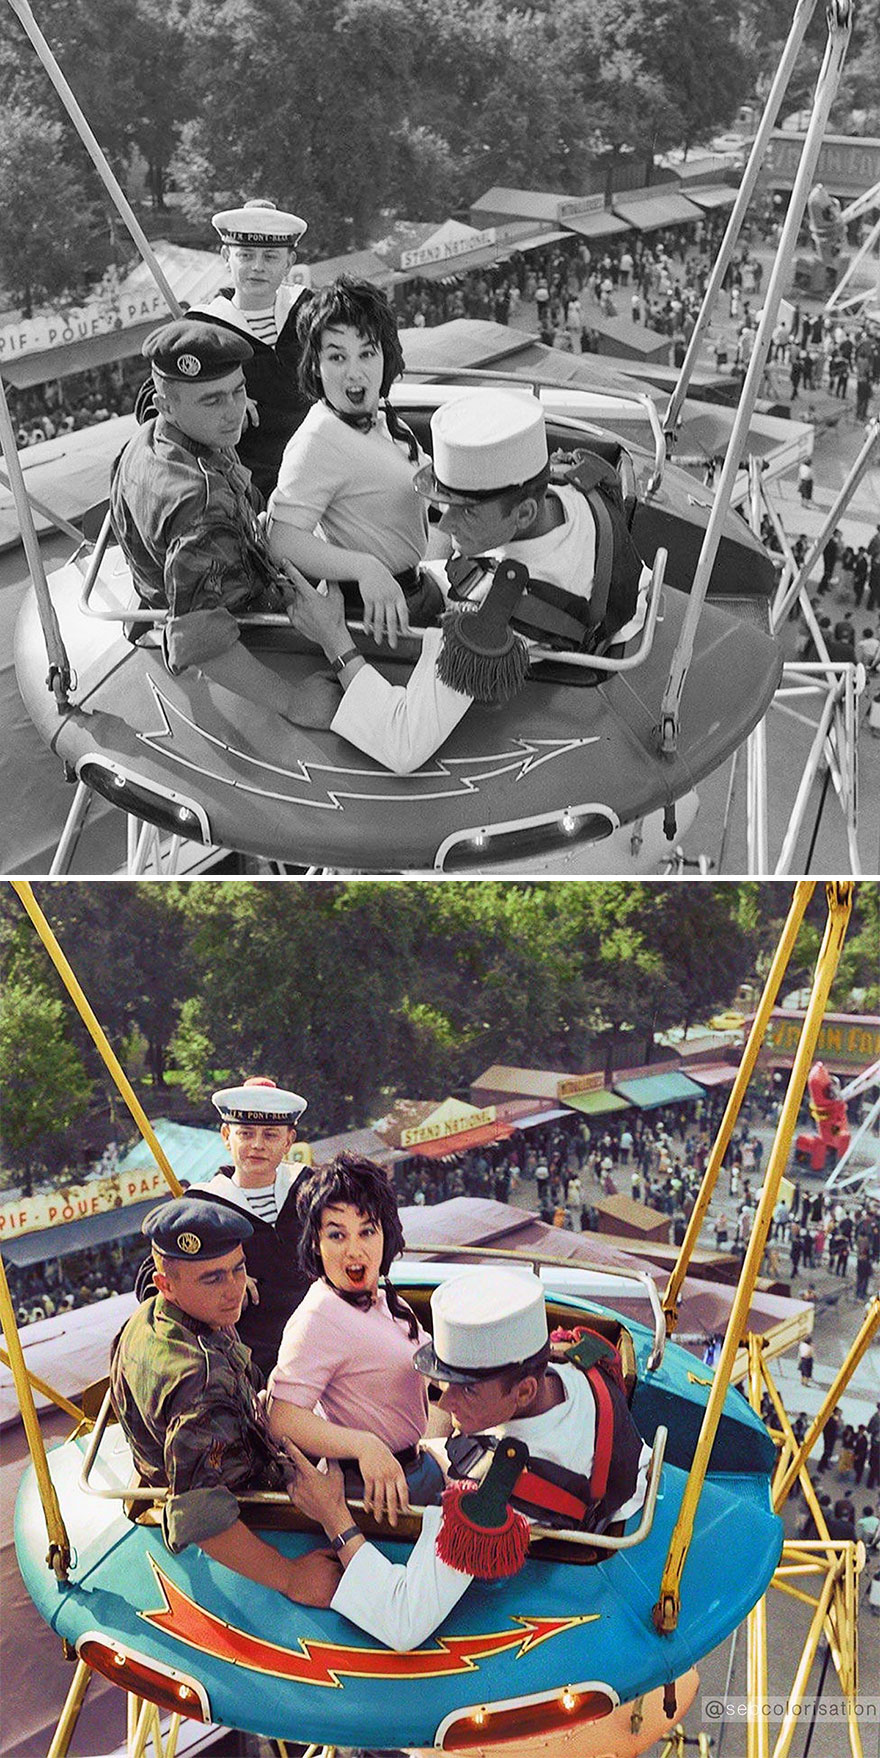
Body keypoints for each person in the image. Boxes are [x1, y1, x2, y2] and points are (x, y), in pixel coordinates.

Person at [282, 387, 650, 775]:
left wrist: (333, 637)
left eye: (467, 513)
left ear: (524, 512)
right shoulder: (568, 486)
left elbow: (403, 744)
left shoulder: (498, 614)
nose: (446, 524)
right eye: (445, 503)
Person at [282, 1266, 651, 1650]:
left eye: (468, 1391)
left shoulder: (494, 1493)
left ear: (524, 1390)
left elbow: (403, 1622)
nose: (446, 1399)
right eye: (445, 1381)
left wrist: (332, 1515)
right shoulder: (572, 1364)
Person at [110, 1196, 340, 1605]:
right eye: (212, 1279)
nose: (234, 1290)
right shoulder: (198, 1382)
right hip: (246, 1493)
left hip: (230, 1440)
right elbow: (201, 1515)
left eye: (239, 1269)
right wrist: (291, 1577)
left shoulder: (152, 1316)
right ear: (166, 1284)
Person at [110, 319, 337, 731]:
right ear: (166, 406)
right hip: (244, 617)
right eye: (211, 401)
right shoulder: (199, 503)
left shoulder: (153, 437)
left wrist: (224, 406)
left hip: (226, 568)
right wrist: (293, 701)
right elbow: (202, 642)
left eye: (238, 391)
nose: (233, 412)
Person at [267, 1155, 445, 1521]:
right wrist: (365, 1447)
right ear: (315, 1243)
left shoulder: (383, 1298)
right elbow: (282, 1417)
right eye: (337, 1235)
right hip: (378, 1493)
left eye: (367, 1231)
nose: (354, 1249)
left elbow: (432, 1365)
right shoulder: (320, 1315)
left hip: (417, 1467)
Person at [267, 278, 441, 647]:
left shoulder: (379, 417)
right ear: (315, 364)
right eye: (337, 356)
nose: (354, 372)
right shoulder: (319, 438)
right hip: (375, 617)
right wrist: (365, 568)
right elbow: (281, 540)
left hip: (414, 592)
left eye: (367, 353)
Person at [185, 199, 312, 497]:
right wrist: (216, 403)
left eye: (270, 257)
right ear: (225, 256)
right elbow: (155, 402)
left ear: (288, 263)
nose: (257, 267)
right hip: (253, 486)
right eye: (246, 255)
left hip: (326, 464)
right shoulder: (202, 329)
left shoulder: (312, 313)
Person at [196, 1078, 312, 1376]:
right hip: (250, 1365)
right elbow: (154, 1276)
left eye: (271, 1135)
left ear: (288, 1141)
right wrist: (217, 1274)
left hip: (321, 1342)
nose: (257, 1145)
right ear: (226, 1136)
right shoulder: (205, 1205)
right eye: (246, 1133)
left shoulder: (312, 1189)